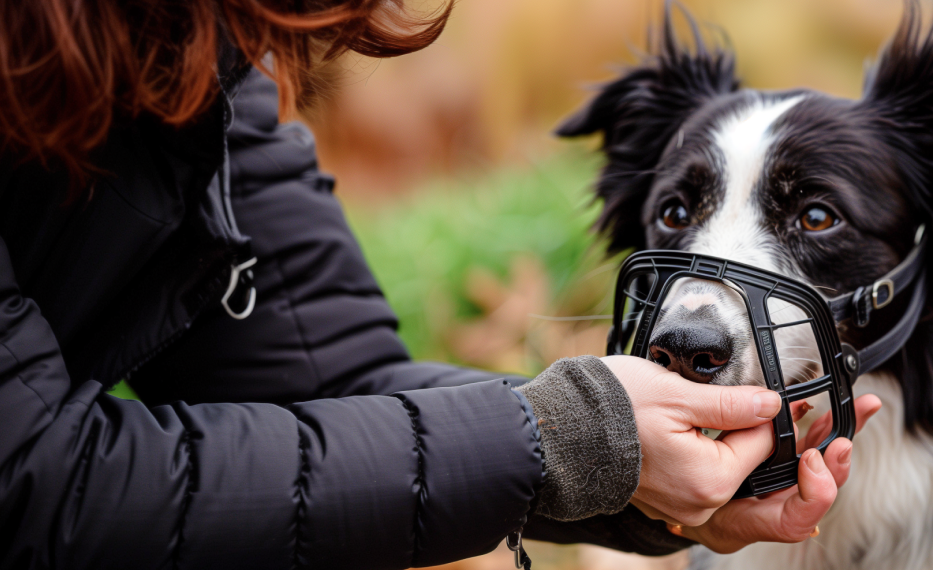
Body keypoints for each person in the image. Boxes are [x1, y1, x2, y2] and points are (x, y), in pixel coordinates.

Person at [0, 1, 880, 568]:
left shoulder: (199, 62)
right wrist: (562, 435)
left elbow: (333, 382)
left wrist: (631, 477)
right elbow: (33, 483)